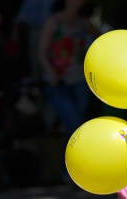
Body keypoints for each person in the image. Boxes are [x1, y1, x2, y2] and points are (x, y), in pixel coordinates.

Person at [38, 0, 98, 139]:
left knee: (75, 126)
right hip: (59, 83)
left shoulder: (84, 23)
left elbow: (103, 41)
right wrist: (53, 75)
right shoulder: (54, 22)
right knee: (76, 126)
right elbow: (42, 53)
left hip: (81, 81)